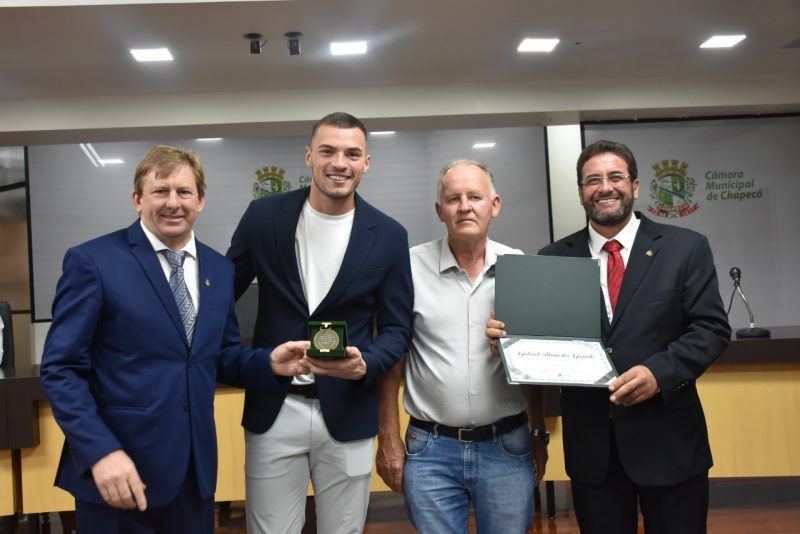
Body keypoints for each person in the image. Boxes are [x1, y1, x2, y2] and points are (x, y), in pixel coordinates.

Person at [40, 145, 309, 534]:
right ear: (137, 199)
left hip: (192, 477)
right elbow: (61, 369)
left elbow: (220, 355)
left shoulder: (219, 268)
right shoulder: (93, 262)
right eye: (160, 191)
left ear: (201, 200)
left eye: (184, 192)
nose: (173, 203)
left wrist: (268, 363)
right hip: (118, 475)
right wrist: (100, 452)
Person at [487, 140, 731, 533]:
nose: (605, 187)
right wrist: (509, 341)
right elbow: (541, 349)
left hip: (669, 443)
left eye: (616, 177)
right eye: (593, 180)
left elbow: (712, 329)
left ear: (635, 186)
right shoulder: (551, 259)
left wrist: (659, 374)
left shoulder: (685, 248)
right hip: (593, 452)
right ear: (582, 191)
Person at [226, 112, 413, 533]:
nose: (339, 163)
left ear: (367, 162)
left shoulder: (388, 235)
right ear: (310, 156)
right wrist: (236, 356)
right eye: (327, 151)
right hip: (275, 406)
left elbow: (398, 328)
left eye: (352, 153)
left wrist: (367, 363)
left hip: (348, 408)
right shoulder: (263, 217)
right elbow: (222, 293)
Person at [376, 159, 548, 534]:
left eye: (475, 196)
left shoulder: (521, 268)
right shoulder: (408, 268)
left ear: (495, 205)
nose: (465, 206)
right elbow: (391, 360)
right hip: (430, 450)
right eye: (453, 199)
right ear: (440, 211)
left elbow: (535, 366)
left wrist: (538, 431)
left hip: (508, 445)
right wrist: (387, 436)